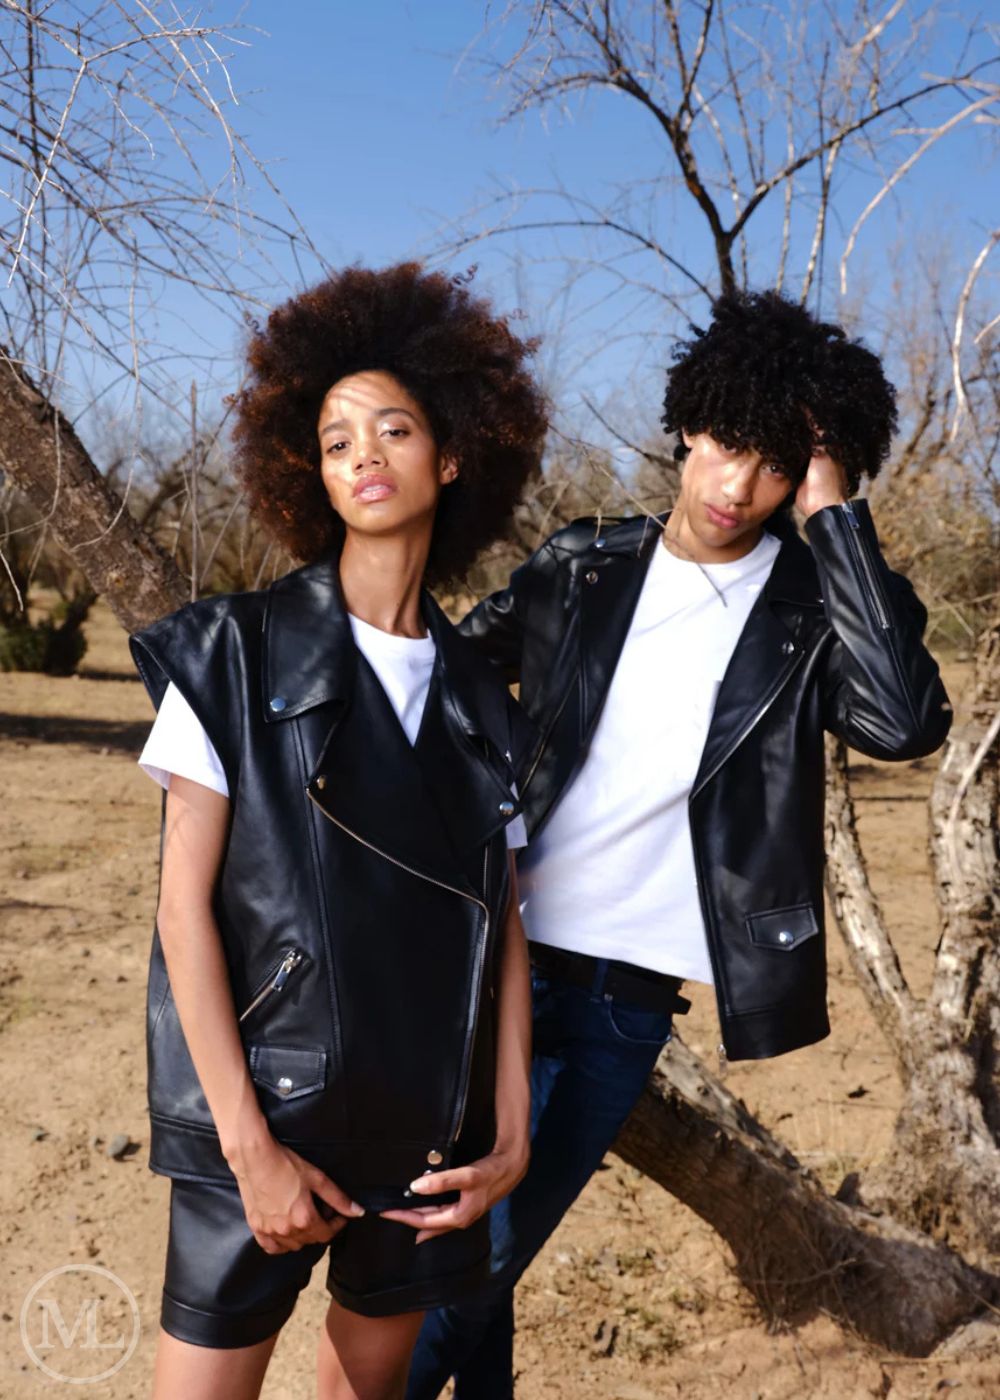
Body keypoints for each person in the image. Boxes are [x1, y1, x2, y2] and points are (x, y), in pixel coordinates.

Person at [406, 288, 953, 1398]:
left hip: (619, 995)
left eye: (777, 470)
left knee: (473, 1264)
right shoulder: (582, 565)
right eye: (727, 448)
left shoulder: (811, 608)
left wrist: (834, 515)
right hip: (484, 952)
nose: (733, 488)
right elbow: (439, 674)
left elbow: (902, 722)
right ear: (691, 424)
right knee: (457, 1253)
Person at [130, 262, 548, 1400]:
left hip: (431, 1140)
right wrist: (249, 1148)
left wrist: (507, 1128)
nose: (361, 454)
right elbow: (181, 913)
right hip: (271, 1116)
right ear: (306, 470)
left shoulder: (482, 697)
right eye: (333, 438)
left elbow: (499, 922)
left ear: (454, 454)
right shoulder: (229, 652)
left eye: (394, 427)